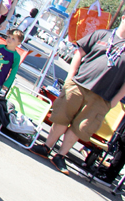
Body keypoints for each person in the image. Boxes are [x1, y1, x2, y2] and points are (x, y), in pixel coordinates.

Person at [32, 19, 125, 175]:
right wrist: (70, 78)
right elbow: (79, 53)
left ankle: (60, 156)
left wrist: (113, 102)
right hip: (79, 85)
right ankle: (46, 146)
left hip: (102, 98)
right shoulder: (102, 35)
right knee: (62, 117)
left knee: (82, 127)